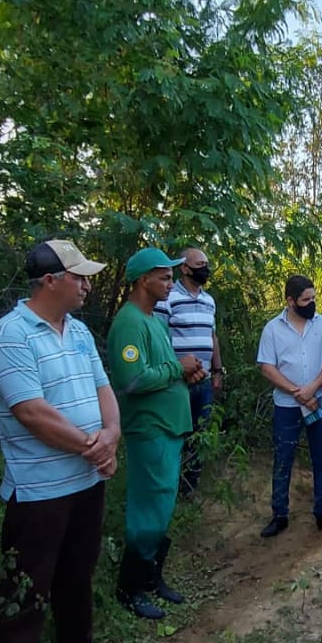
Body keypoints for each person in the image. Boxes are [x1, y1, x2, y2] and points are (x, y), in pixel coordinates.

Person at [0, 239, 123, 643]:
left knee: (78, 569)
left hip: (86, 477)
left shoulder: (79, 331)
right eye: (79, 277)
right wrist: (94, 447)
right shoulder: (11, 335)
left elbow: (103, 389)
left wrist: (111, 435)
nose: (87, 285)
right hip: (39, 486)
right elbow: (31, 412)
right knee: (28, 581)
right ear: (50, 280)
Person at [107, 248, 205, 619]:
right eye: (164, 277)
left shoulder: (153, 320)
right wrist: (177, 369)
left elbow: (161, 369)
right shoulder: (129, 322)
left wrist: (185, 373)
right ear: (142, 280)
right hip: (150, 428)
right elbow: (132, 380)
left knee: (162, 505)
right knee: (148, 507)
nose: (170, 284)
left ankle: (150, 578)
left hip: (168, 426)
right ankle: (130, 587)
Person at [257, 275, 322, 537]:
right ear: (290, 301)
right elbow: (267, 366)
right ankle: (279, 515)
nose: (312, 303)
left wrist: (312, 388)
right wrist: (298, 392)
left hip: (320, 401)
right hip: (286, 405)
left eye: (313, 298)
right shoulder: (272, 329)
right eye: (306, 299)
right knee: (283, 459)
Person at [155, 246, 223, 497]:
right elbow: (159, 338)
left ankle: (189, 488)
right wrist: (174, 369)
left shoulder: (208, 300)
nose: (205, 269)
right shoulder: (168, 297)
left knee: (199, 433)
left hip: (204, 381)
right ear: (184, 268)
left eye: (206, 264)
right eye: (199, 265)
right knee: (175, 434)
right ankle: (168, 486)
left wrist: (218, 370)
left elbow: (212, 337)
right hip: (177, 381)